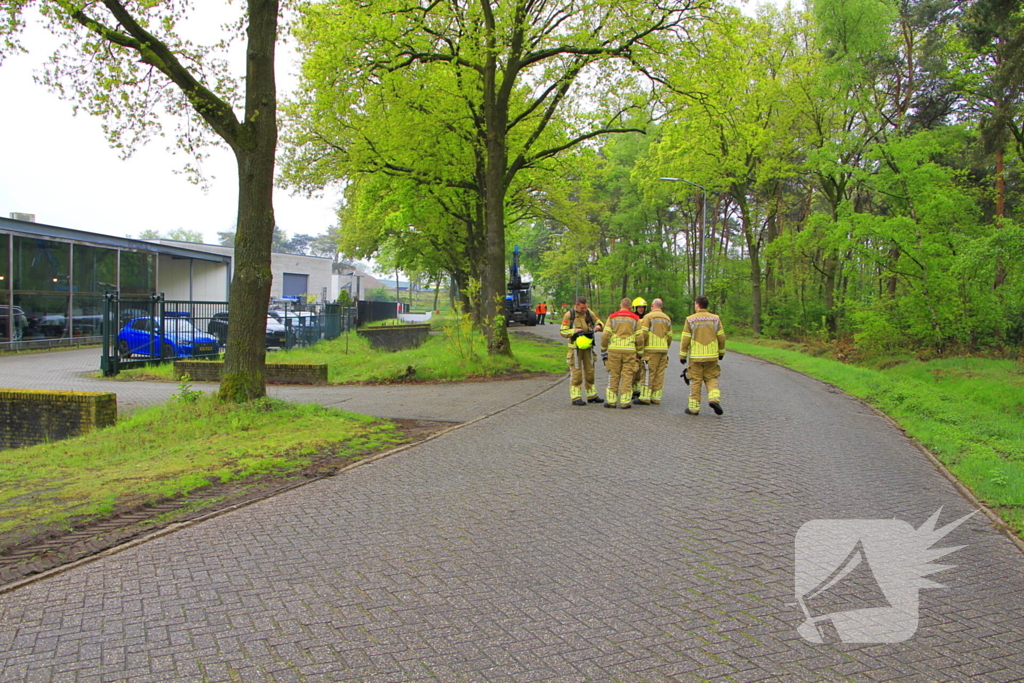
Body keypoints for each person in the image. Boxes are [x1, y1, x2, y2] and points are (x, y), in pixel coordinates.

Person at [679, 295, 726, 415]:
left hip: (696, 357)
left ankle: (693, 408)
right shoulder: (716, 319)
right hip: (712, 356)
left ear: (697, 304)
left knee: (695, 381)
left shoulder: (690, 319)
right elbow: (721, 337)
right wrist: (721, 352)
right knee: (711, 379)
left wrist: (683, 355)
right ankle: (714, 399)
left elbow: (685, 339)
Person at [560, 296, 604, 406]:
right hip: (575, 349)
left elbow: (599, 322)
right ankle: (576, 397)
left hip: (588, 348)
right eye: (582, 308)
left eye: (585, 307)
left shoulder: (589, 313)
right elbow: (563, 331)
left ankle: (592, 395)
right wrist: (574, 331)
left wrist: (599, 326)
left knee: (590, 372)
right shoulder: (570, 315)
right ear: (576, 305)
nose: (584, 310)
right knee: (577, 373)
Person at [600, 298, 642, 408]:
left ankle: (611, 401)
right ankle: (625, 402)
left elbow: (605, 334)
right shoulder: (635, 318)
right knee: (627, 375)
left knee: (614, 374)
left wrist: (603, 348)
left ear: (620, 305)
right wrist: (640, 351)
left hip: (614, 350)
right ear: (630, 306)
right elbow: (640, 337)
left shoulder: (613, 317)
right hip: (629, 350)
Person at [634, 298, 673, 405]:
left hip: (650, 350)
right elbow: (670, 336)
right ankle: (656, 397)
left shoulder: (648, 317)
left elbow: (644, 334)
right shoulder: (667, 318)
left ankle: (645, 397)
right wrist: (666, 346)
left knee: (648, 372)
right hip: (663, 350)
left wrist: (641, 348)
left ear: (652, 306)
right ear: (661, 306)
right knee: (659, 374)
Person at [630, 297, 648, 398]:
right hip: (633, 346)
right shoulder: (632, 318)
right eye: (639, 307)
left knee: (641, 369)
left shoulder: (647, 318)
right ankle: (631, 389)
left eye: (642, 307)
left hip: (643, 347)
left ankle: (637, 388)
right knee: (633, 369)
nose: (641, 309)